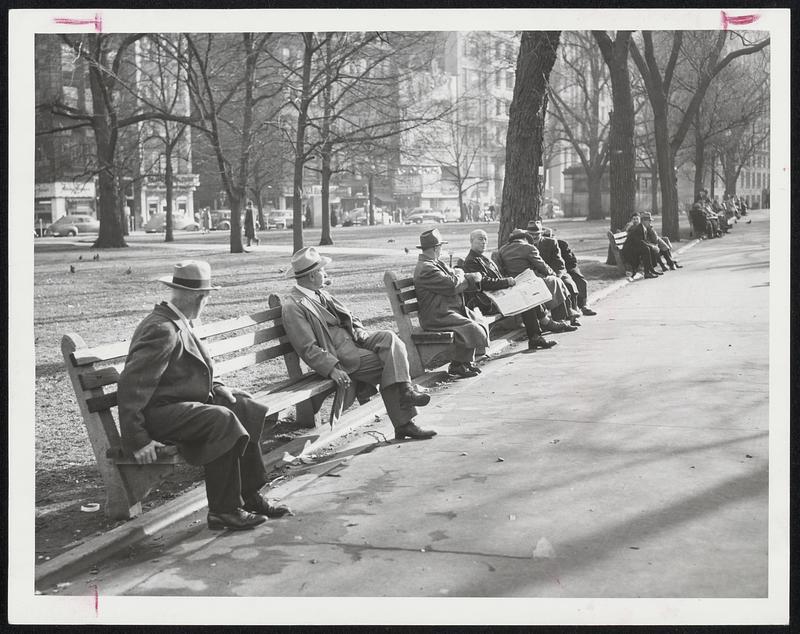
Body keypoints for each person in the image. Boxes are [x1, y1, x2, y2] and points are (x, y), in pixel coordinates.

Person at [117, 261, 292, 531]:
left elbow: (191, 367)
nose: (206, 302)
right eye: (206, 297)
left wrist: (218, 387)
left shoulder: (176, 320)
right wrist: (138, 440)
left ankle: (249, 496)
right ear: (198, 298)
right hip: (159, 415)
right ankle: (224, 510)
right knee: (220, 420)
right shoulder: (161, 329)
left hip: (179, 406)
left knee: (244, 407)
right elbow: (132, 388)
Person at [281, 247, 436, 441]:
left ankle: (406, 391)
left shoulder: (320, 293)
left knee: (389, 338)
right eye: (321, 270)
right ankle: (404, 423)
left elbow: (351, 317)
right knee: (389, 364)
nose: (325, 273)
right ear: (312, 276)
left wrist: (360, 329)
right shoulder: (293, 306)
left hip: (356, 341)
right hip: (342, 356)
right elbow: (307, 348)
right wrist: (332, 369)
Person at [461, 229, 556, 351]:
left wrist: (509, 282)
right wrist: (507, 282)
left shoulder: (482, 258)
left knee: (527, 292)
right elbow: (483, 283)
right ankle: (539, 331)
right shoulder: (471, 261)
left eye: (485, 239)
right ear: (471, 241)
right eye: (480, 239)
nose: (484, 242)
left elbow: (495, 278)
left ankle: (537, 333)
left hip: (495, 295)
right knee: (524, 298)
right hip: (486, 302)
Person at [413, 228, 489, 378]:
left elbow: (454, 279)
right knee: (470, 326)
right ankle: (458, 364)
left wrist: (471, 277)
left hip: (446, 310)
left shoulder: (433, 263)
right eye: (440, 246)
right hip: (436, 316)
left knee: (476, 320)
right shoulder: (426, 268)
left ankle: (463, 363)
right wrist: (462, 273)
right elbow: (451, 284)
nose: (441, 249)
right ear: (436, 248)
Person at [494, 228, 579, 331]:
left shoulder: (502, 250)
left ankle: (566, 314)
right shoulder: (529, 248)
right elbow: (543, 267)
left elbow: (500, 269)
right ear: (525, 238)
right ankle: (561, 319)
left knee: (555, 282)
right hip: (530, 282)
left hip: (513, 284)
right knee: (555, 281)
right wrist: (552, 273)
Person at [526, 220, 582, 325]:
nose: (534, 237)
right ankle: (560, 319)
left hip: (556, 272)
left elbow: (559, 263)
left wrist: (558, 275)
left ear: (541, 233)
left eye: (536, 234)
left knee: (568, 283)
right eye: (531, 235)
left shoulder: (551, 243)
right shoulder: (525, 246)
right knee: (554, 285)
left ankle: (573, 314)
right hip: (538, 276)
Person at [541, 227, 597, 316]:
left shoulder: (562, 244)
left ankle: (584, 305)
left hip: (567, 268)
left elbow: (571, 261)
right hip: (551, 271)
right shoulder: (541, 247)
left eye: (550, 237)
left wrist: (565, 270)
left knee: (579, 280)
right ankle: (567, 311)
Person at [623, 211, 662, 279]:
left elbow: (643, 241)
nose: (650, 222)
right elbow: (639, 241)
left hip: (635, 247)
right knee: (646, 249)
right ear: (643, 221)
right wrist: (651, 246)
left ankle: (651, 270)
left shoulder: (643, 227)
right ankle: (647, 273)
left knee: (647, 248)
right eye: (649, 220)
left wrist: (652, 246)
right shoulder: (638, 228)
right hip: (629, 250)